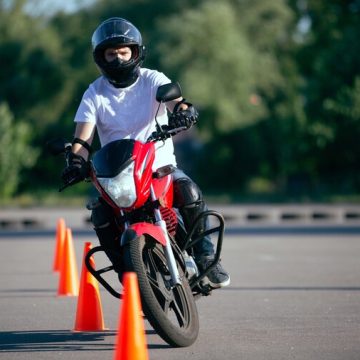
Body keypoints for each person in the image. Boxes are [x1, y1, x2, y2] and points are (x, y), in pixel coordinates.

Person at [61, 17, 230, 288]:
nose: (118, 58)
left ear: (136, 52)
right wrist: (76, 160)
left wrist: (184, 113)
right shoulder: (94, 93)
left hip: (158, 166)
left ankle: (207, 258)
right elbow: (82, 138)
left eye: (123, 51)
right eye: (111, 53)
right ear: (101, 57)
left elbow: (178, 103)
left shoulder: (153, 79)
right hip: (116, 175)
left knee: (188, 191)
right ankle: (126, 274)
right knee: (100, 214)